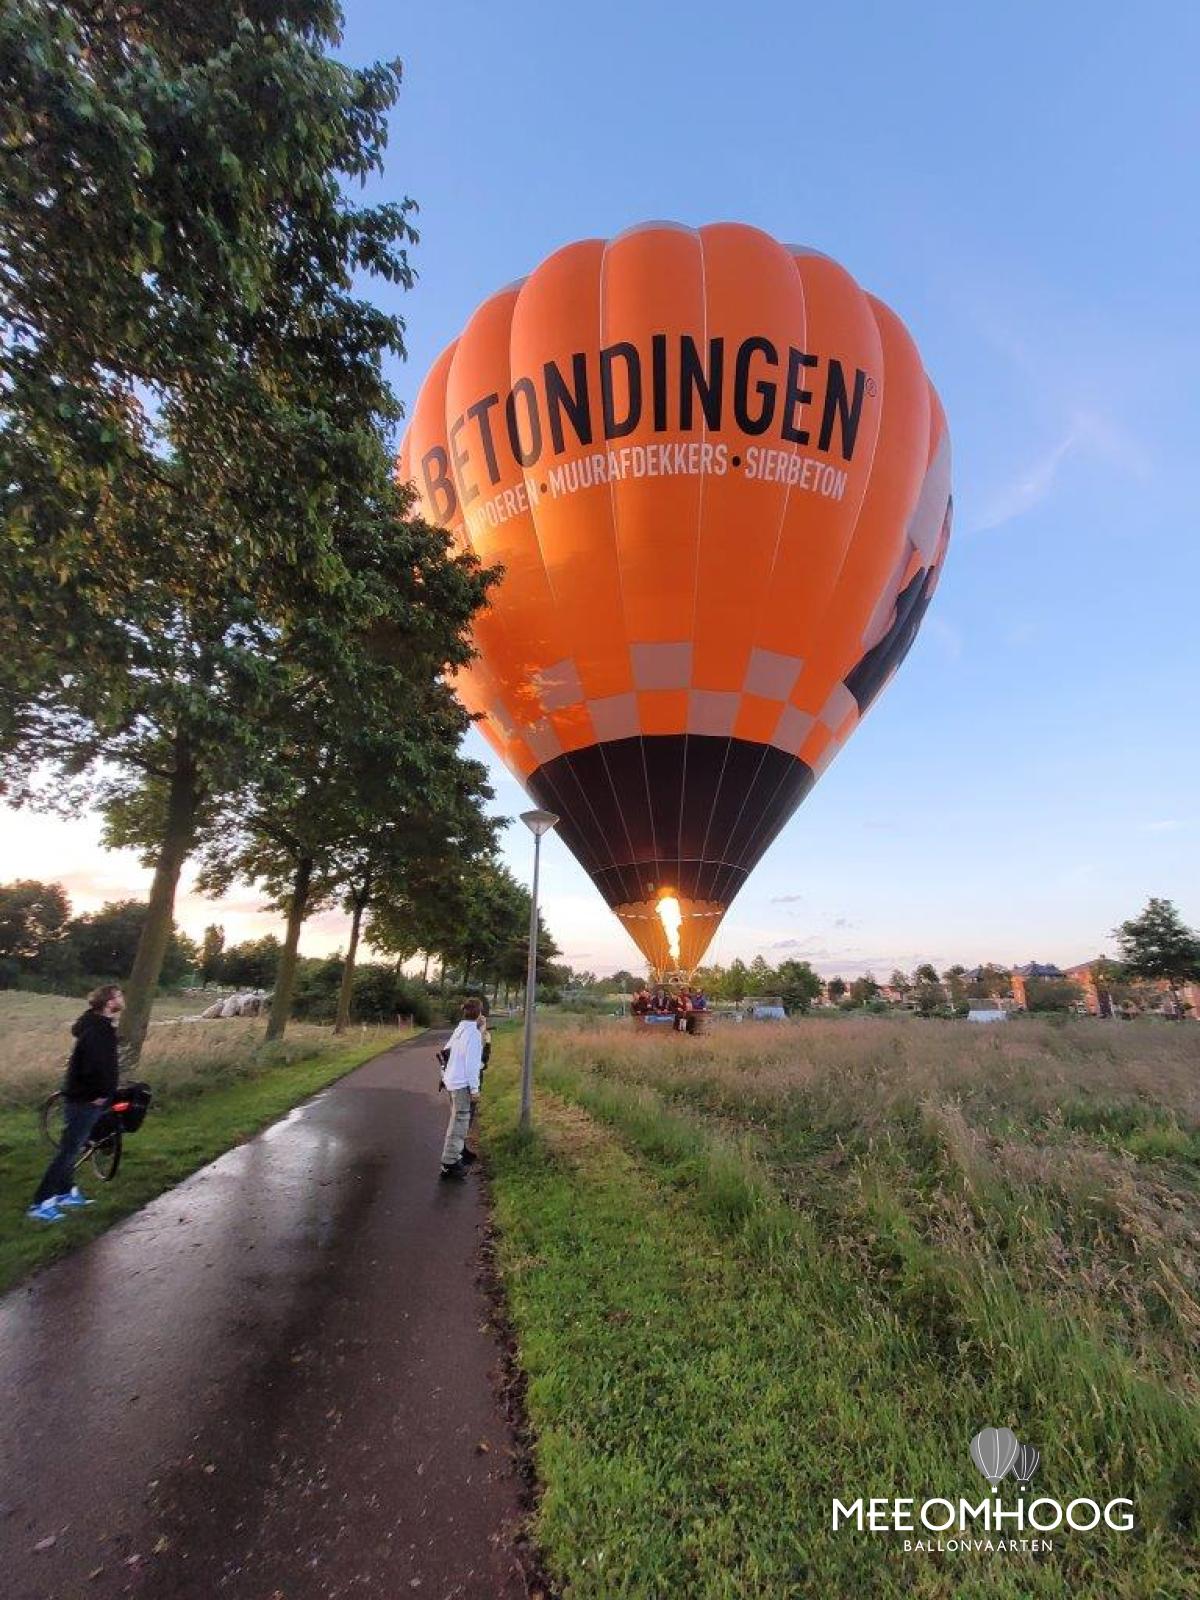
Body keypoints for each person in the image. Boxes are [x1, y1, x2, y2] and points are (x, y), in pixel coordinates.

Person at [27, 984, 124, 1223]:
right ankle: (41, 1203)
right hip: (86, 1099)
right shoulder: (97, 1030)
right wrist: (100, 1093)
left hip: (85, 1097)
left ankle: (65, 1192)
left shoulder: (98, 1025)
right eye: (120, 995)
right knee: (68, 1151)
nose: (123, 999)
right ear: (109, 1002)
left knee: (74, 1147)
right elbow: (94, 1066)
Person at [439, 998, 483, 1181]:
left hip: (451, 1081)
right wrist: (475, 1089)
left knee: (456, 1119)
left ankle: (455, 1155)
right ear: (479, 1013)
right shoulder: (473, 1035)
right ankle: (449, 1164)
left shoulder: (460, 1029)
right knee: (459, 1122)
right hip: (461, 1084)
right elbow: (472, 1065)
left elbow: (445, 1052)